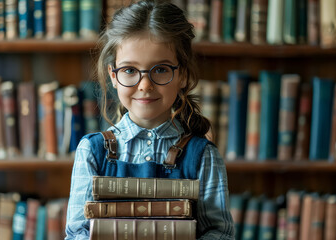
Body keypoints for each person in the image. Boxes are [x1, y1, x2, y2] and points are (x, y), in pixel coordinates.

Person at [65, 1, 234, 239]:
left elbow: (221, 233)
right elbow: (76, 233)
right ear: (113, 76)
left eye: (161, 69)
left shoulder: (203, 155)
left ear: (182, 74)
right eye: (130, 70)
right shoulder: (92, 150)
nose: (145, 85)